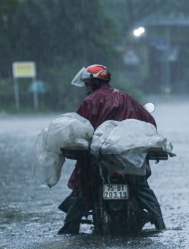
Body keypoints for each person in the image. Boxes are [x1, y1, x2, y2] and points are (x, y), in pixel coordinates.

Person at [58, 64, 166, 234]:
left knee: (81, 188)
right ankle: (160, 223)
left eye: (87, 83)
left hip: (97, 159)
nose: (86, 86)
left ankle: (69, 228)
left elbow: (78, 128)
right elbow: (149, 123)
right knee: (142, 187)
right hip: (126, 161)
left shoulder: (90, 101)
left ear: (94, 83)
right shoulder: (126, 98)